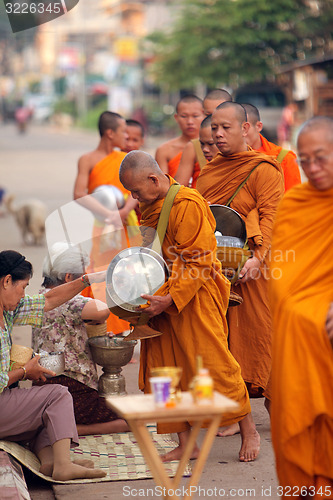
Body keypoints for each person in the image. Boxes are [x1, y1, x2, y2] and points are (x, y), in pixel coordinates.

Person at [119, 150, 260, 463]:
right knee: (161, 373)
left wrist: (170, 297)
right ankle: (186, 442)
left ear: (155, 178)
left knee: (213, 365)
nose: (134, 197)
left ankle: (248, 429)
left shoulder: (188, 203)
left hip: (193, 296)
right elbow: (152, 249)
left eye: (137, 190)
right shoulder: (150, 204)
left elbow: (196, 259)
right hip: (160, 296)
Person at [196, 102, 284, 417]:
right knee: (223, 339)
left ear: (245, 129)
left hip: (256, 268)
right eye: (214, 128)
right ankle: (235, 410)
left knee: (261, 333)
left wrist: (258, 259)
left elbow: (272, 217)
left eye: (225, 128)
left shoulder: (264, 168)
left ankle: (275, 400)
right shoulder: (209, 172)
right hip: (217, 269)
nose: (218, 135)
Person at [0, 250, 106, 481]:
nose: (23, 294)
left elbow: (48, 300)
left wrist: (87, 280)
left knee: (44, 409)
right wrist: (25, 372)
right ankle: (64, 465)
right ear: (7, 281)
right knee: (57, 395)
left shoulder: (7, 310)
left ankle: (51, 462)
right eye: (23, 287)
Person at [269, 116, 333, 496]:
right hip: (300, 341)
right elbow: (284, 278)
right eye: (305, 160)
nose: (313, 168)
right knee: (295, 421)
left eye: (321, 158)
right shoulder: (296, 202)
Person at [31, 242, 129, 435]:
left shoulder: (38, 298)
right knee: (130, 418)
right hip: (72, 389)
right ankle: (74, 430)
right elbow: (102, 311)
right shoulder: (71, 302)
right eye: (81, 276)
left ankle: (61, 425)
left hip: (42, 385)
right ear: (68, 277)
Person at [74, 110, 139, 335]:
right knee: (100, 274)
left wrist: (121, 212)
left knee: (126, 274)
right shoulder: (88, 159)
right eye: (123, 131)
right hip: (100, 227)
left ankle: (123, 330)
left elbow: (135, 190)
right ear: (110, 133)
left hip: (125, 225)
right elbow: (79, 193)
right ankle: (100, 328)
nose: (126, 137)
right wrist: (106, 213)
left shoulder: (125, 159)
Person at [175, 89, 232, 187]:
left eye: (221, 114)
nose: (213, 120)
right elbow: (178, 191)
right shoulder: (194, 147)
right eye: (209, 115)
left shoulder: (245, 145)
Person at [243, 103, 301, 191]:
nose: (241, 133)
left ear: (258, 126)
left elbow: (293, 201)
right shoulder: (224, 159)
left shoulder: (284, 158)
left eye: (245, 128)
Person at [155, 94, 204, 179]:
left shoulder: (213, 146)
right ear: (176, 118)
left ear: (204, 116)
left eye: (195, 116)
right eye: (184, 116)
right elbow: (163, 185)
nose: (190, 121)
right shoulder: (164, 150)